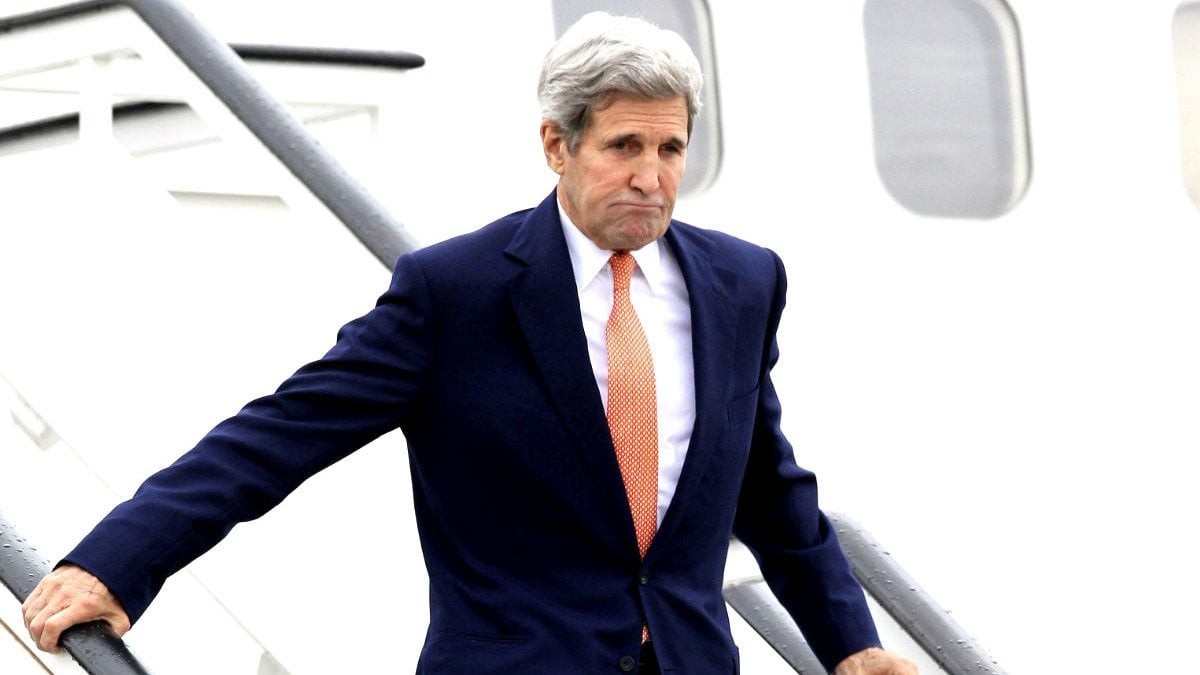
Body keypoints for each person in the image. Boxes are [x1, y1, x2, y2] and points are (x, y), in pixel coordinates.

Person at [23, 12, 917, 674]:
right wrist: (115, 563)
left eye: (672, 147)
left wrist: (849, 645)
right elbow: (274, 439)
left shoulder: (743, 282)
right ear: (555, 146)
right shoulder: (455, 292)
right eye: (624, 147)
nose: (652, 178)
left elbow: (772, 490)